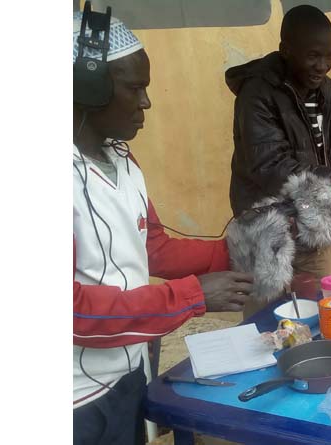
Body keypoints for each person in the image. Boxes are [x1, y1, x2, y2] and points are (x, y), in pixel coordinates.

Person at [73, 8, 253, 444]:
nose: (146, 102)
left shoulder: (122, 161)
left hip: (132, 371)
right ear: (88, 88)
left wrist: (247, 246)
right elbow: (73, 311)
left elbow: (153, 247)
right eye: (135, 88)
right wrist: (191, 296)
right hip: (76, 401)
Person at [225, 5, 331, 315]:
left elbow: (330, 160)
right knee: (263, 325)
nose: (322, 66)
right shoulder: (256, 94)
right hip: (263, 230)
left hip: (309, 227)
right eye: (313, 56)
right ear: (285, 50)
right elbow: (270, 166)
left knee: (325, 314)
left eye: (329, 57)